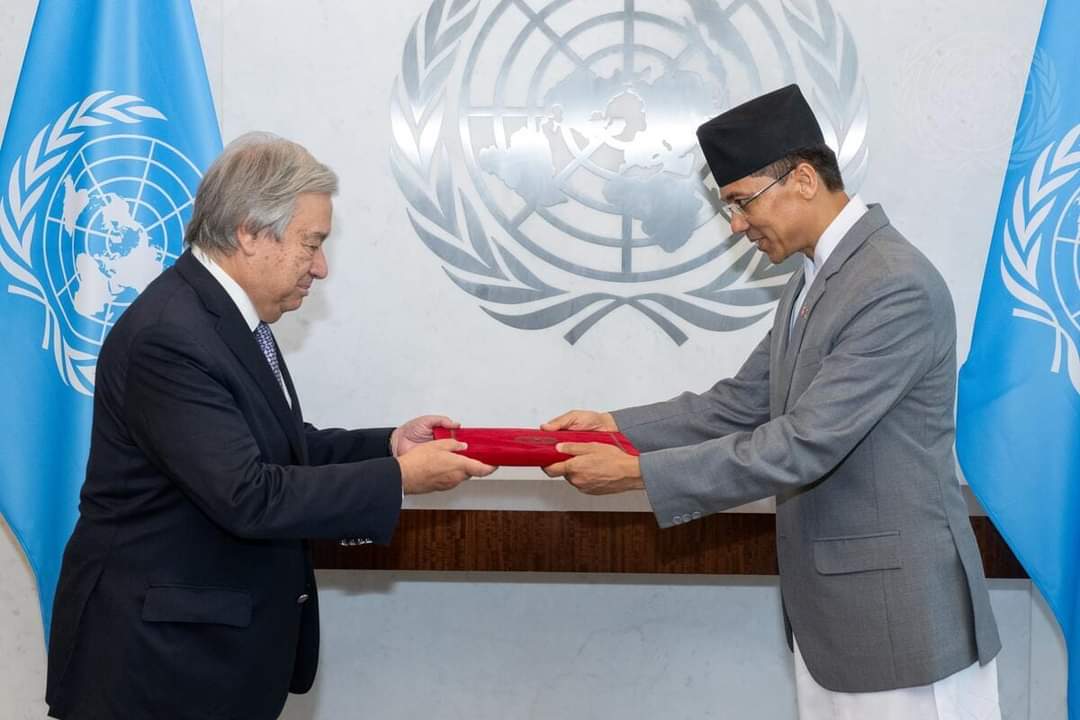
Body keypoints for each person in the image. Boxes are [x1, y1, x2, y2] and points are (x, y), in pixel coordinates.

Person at [542, 85, 1002, 719]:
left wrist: (638, 474)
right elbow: (740, 404)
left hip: (900, 627)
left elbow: (804, 442)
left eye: (740, 202)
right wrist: (614, 427)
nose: (735, 225)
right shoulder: (814, 279)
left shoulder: (893, 284)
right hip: (833, 627)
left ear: (804, 180)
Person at [45, 132, 495, 720]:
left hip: (203, 662)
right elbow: (248, 494)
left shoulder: (225, 319)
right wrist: (400, 479)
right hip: (155, 670)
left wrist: (390, 445)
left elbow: (278, 448)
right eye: (312, 243)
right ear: (251, 233)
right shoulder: (170, 336)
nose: (321, 268)